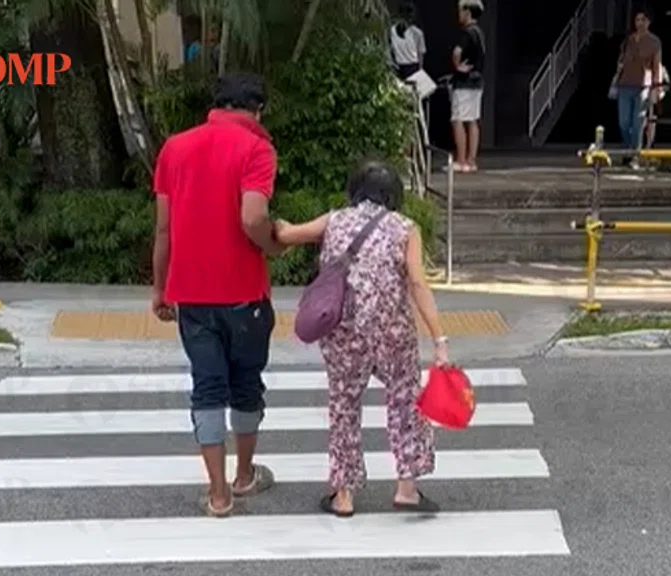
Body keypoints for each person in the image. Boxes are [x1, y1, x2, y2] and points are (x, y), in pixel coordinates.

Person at [274, 160, 448, 518]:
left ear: (354, 191)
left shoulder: (334, 220)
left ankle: (344, 496)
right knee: (406, 402)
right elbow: (417, 283)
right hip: (392, 333)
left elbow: (287, 235)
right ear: (394, 194)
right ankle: (407, 489)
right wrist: (439, 339)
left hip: (343, 333)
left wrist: (270, 223)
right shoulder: (405, 228)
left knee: (344, 406)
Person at [151, 72, 285, 518]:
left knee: (207, 386)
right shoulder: (257, 148)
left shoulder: (175, 148)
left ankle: (218, 494)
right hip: (244, 293)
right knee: (245, 384)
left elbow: (164, 229)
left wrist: (160, 287)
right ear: (257, 110)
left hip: (190, 294)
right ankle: (244, 476)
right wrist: (272, 246)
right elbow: (253, 217)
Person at [611, 8, 662, 169]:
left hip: (643, 86)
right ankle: (628, 148)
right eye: (637, 20)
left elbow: (657, 66)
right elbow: (621, 61)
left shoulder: (654, 42)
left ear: (648, 22)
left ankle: (634, 155)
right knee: (624, 122)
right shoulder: (628, 40)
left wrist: (657, 87)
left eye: (643, 20)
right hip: (625, 84)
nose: (639, 23)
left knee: (638, 122)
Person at [449, 0, 485, 173]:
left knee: (457, 119)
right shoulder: (480, 33)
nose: (459, 14)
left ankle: (461, 160)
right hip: (477, 82)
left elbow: (456, 52)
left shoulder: (467, 33)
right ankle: (471, 161)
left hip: (464, 83)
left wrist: (457, 66)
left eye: (461, 11)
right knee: (473, 120)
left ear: (468, 12)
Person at [388, 11, 427, 80]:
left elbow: (420, 53)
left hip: (409, 66)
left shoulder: (417, 33)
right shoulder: (392, 31)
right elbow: (420, 53)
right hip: (402, 66)